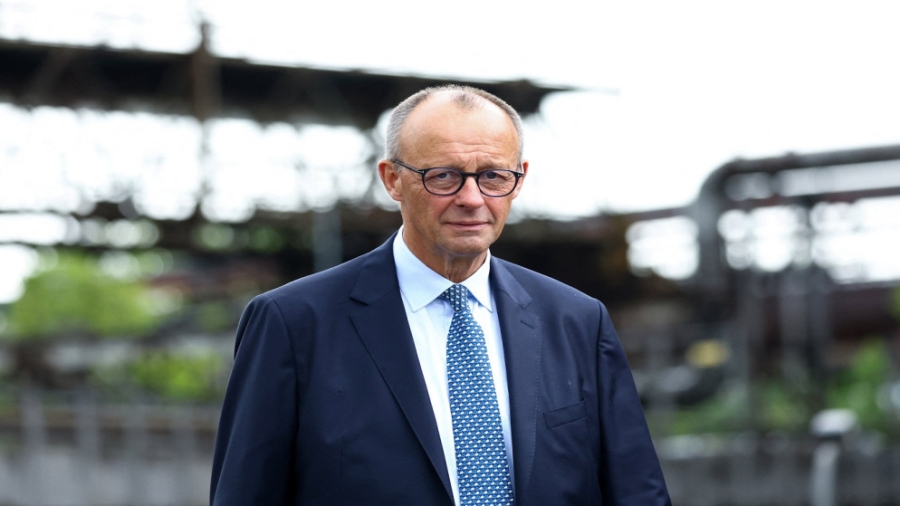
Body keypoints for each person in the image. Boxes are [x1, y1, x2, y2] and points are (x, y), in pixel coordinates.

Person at [210, 85, 671, 505]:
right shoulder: (292, 323)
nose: (472, 198)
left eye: (493, 176)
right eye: (445, 176)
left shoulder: (577, 321)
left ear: (520, 178)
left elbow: (636, 492)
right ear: (392, 179)